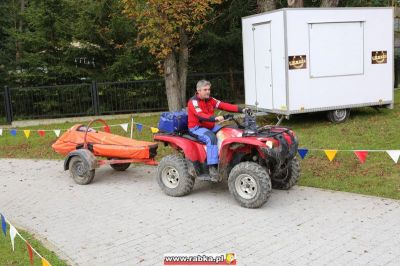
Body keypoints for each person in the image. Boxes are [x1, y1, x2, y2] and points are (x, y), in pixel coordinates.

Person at [187, 79, 249, 182]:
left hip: (210, 126)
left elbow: (224, 105)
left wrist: (241, 109)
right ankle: (212, 168)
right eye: (205, 89)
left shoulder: (211, 100)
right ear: (198, 91)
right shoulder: (193, 102)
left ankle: (228, 158)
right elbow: (200, 115)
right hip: (196, 128)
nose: (208, 91)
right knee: (211, 138)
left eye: (209, 89)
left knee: (231, 131)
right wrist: (214, 118)